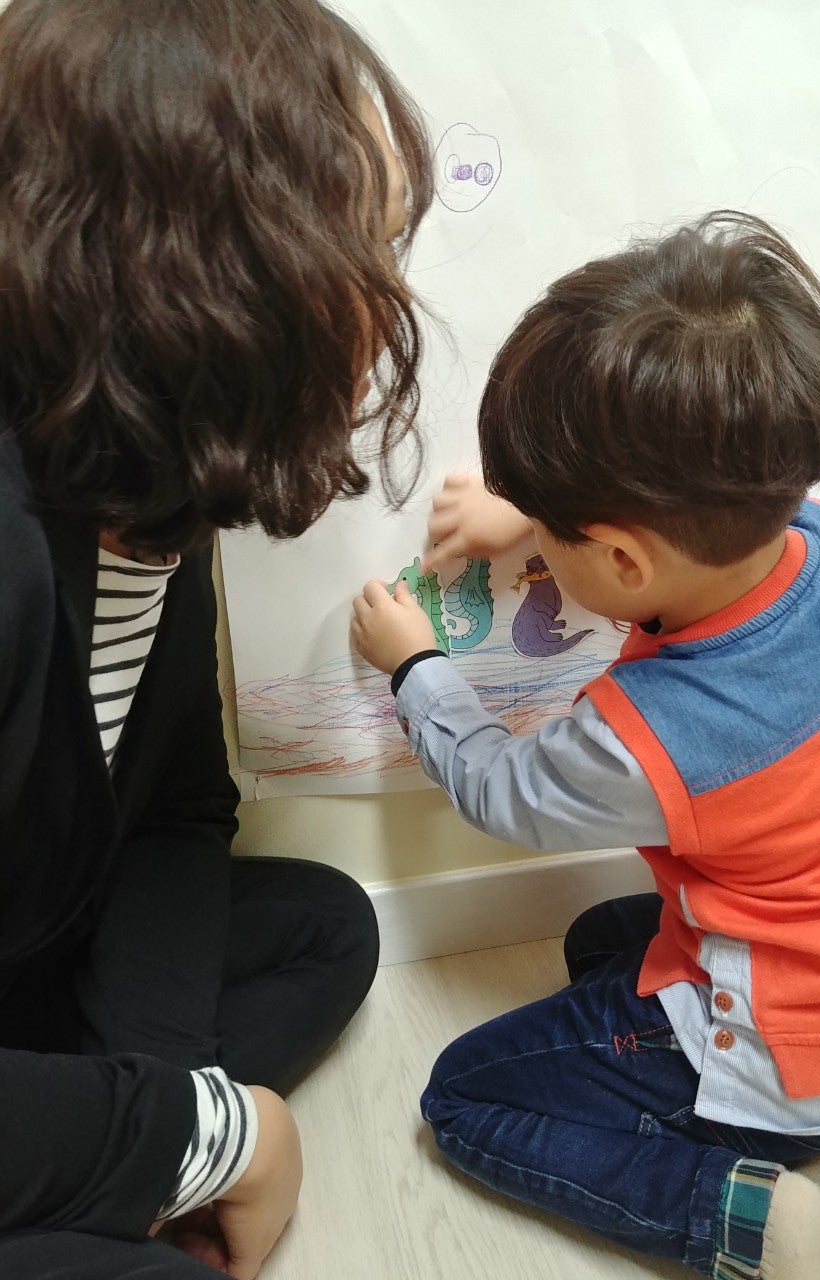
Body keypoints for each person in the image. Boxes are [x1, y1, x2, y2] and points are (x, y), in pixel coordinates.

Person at [351, 211, 820, 1280]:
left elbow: (500, 788)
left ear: (623, 558)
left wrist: (416, 667)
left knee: (462, 1098)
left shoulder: (650, 740)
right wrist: (536, 517)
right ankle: (804, 1109)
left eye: (554, 534)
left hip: (788, 1068)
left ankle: (741, 1214)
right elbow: (670, 529)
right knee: (599, 936)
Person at [0, 1, 432, 1277]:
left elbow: (178, 811)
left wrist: (169, 1106)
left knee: (328, 925)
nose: (391, 299)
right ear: (203, 266)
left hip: (33, 948)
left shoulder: (152, 498)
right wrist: (209, 1134)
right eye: (365, 246)